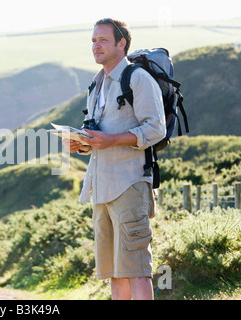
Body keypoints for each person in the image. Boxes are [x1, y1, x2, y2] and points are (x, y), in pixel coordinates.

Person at [62, 18, 166, 300]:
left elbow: (156, 128)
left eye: (103, 40)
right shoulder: (97, 85)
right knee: (114, 271)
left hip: (130, 184)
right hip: (101, 188)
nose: (96, 46)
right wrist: (82, 144)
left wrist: (113, 140)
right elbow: (101, 132)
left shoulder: (138, 79)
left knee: (136, 269)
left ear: (121, 43)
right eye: (94, 41)